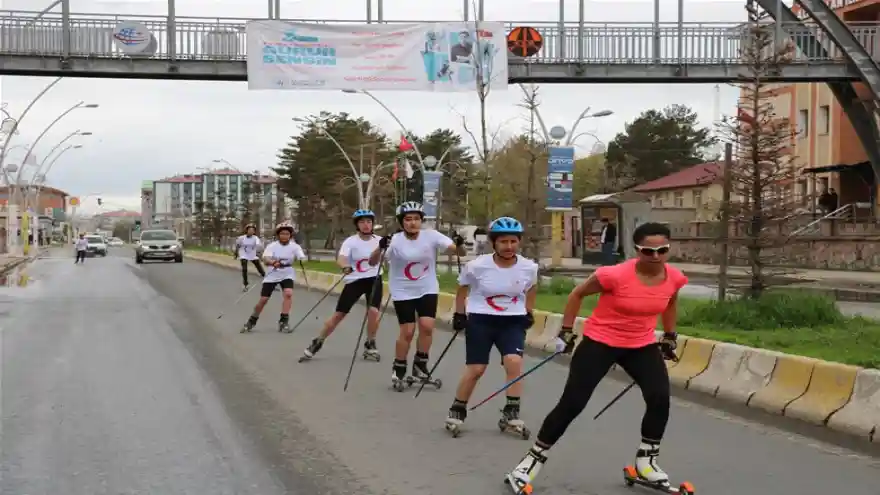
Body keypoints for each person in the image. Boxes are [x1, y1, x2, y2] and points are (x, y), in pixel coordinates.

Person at [504, 222, 688, 494]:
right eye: (649, 251)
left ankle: (646, 463)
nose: (656, 256)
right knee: (573, 403)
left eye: (662, 250)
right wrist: (566, 331)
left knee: (660, 397)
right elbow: (577, 294)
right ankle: (530, 462)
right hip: (601, 342)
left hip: (641, 344)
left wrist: (670, 334)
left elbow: (670, 302)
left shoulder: (674, 277)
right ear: (637, 250)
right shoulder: (614, 275)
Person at [445, 217, 538, 437]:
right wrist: (459, 314)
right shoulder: (477, 266)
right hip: (481, 320)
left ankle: (511, 412)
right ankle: (458, 408)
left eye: (513, 241)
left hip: (512, 322)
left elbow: (532, 289)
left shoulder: (528, 267)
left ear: (519, 242)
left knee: (513, 362)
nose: (509, 247)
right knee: (477, 369)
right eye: (503, 242)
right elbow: (462, 289)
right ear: (493, 243)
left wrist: (529, 312)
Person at [368, 201, 465, 390]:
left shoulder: (431, 236)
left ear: (422, 220)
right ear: (401, 222)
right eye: (408, 219)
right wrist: (379, 247)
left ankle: (420, 365)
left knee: (427, 327)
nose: (412, 223)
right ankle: (399, 367)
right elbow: (373, 262)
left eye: (416, 219)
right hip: (403, 290)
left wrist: (459, 244)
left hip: (427, 288)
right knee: (408, 331)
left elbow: (460, 252)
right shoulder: (394, 240)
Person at [301, 209, 383, 362]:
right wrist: (345, 266)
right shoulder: (351, 241)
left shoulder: (379, 240)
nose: (366, 225)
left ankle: (370, 343)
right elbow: (342, 258)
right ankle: (318, 341)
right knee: (339, 315)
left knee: (373, 312)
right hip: (355, 280)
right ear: (357, 225)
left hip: (374, 279)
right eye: (362, 222)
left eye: (369, 222)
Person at [240, 223, 306, 334]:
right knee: (264, 300)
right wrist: (272, 262)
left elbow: (301, 256)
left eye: (287, 234)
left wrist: (302, 259)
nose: (285, 236)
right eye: (282, 234)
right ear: (278, 235)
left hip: (287, 273)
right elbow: (265, 259)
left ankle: (284, 321)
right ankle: (252, 320)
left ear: (290, 235)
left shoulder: (295, 246)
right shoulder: (272, 246)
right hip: (272, 273)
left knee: (288, 293)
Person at [234, 224, 266, 291]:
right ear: (247, 230)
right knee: (244, 268)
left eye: (253, 230)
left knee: (258, 265)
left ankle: (266, 278)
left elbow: (259, 246)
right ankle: (245, 284)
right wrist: (236, 254)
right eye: (250, 230)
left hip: (252, 253)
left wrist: (260, 254)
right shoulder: (242, 238)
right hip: (243, 253)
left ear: (254, 231)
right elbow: (237, 246)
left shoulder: (255, 238)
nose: (251, 231)